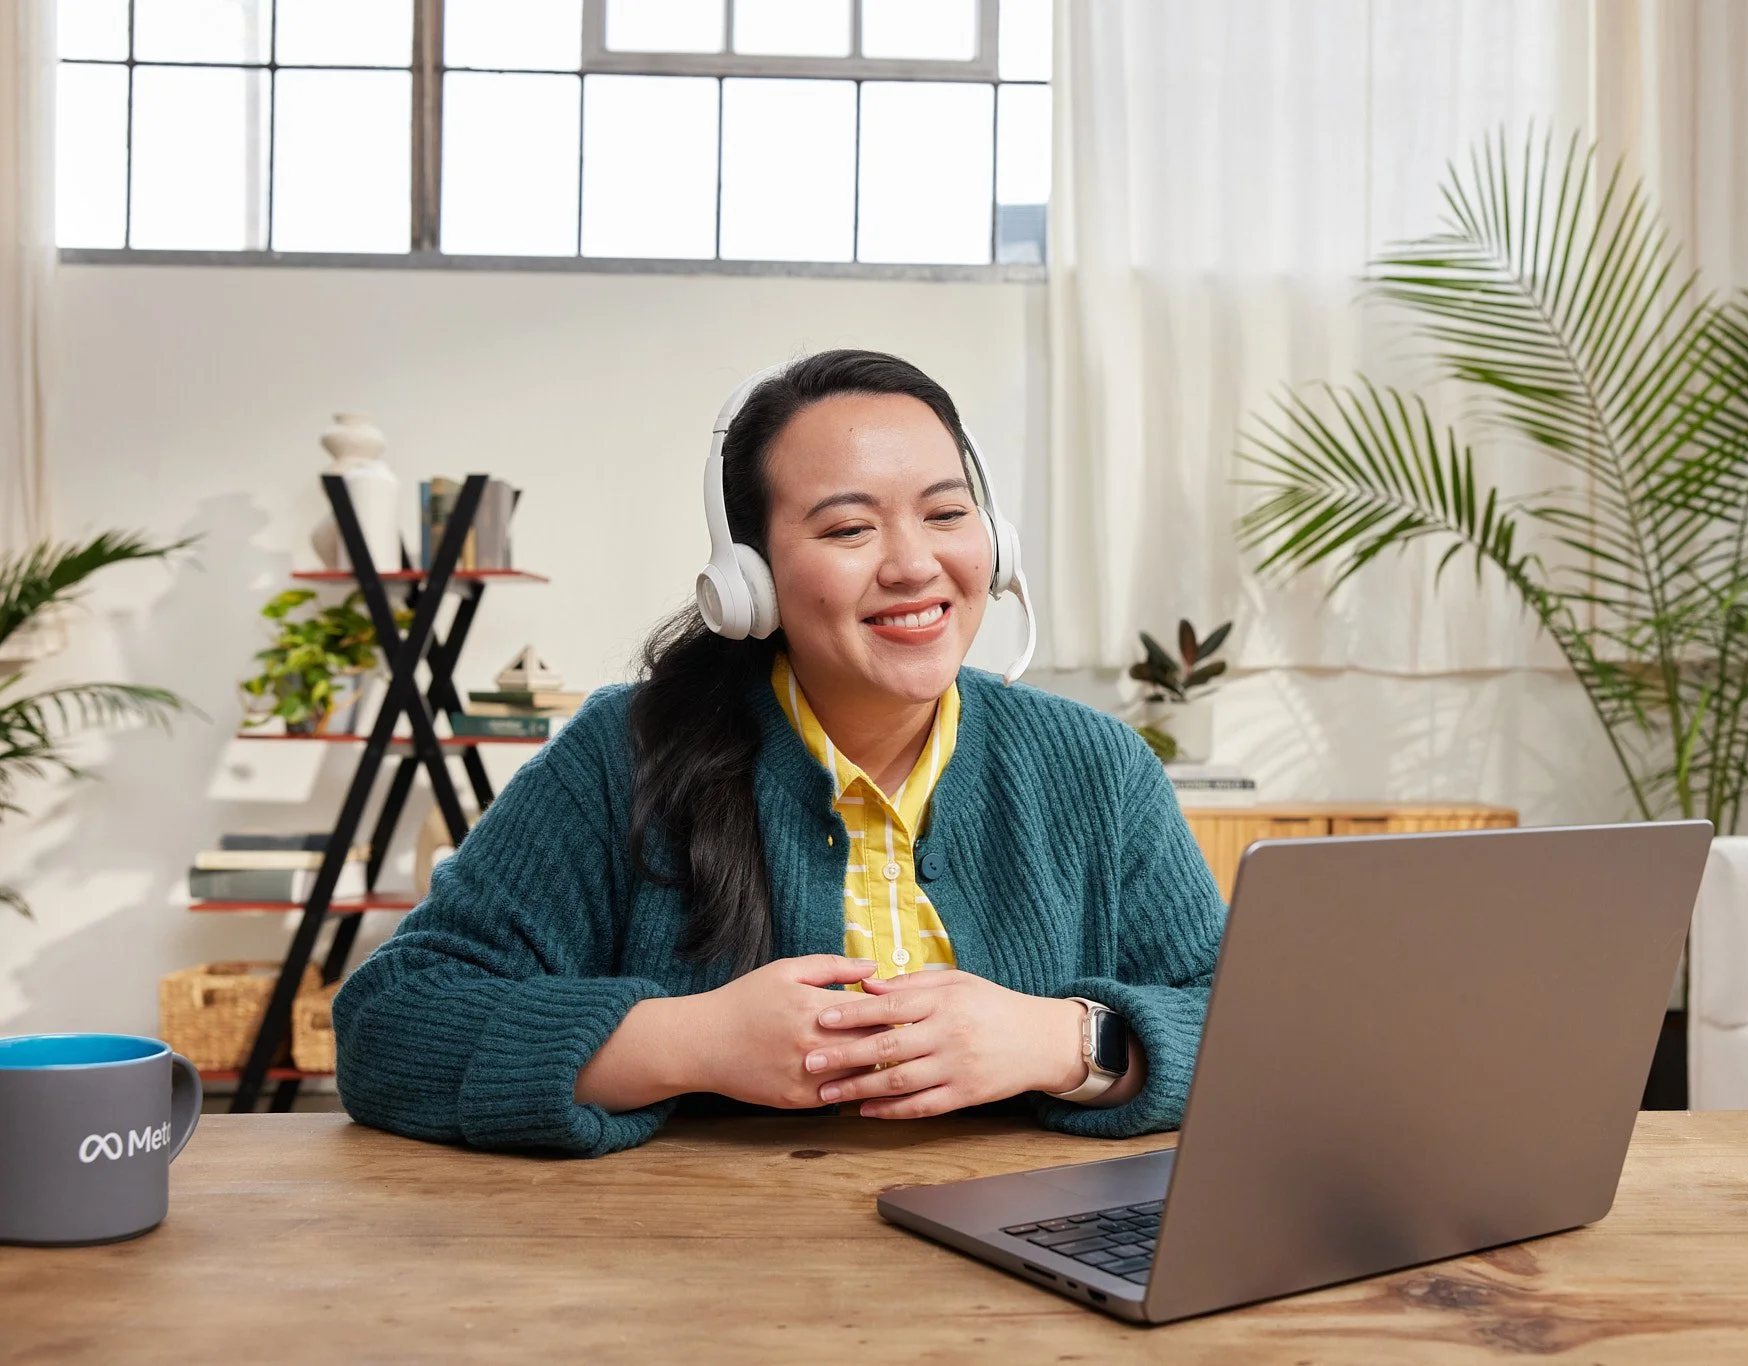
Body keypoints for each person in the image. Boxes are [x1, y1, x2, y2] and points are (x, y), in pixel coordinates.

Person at [333, 349, 1225, 1156]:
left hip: (1024, 1276)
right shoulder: (627, 756)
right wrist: (691, 1043)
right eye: (848, 530)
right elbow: (389, 1026)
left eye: (947, 513)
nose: (915, 565)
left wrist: (1064, 1041)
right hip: (703, 1277)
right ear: (747, 584)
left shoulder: (1096, 769)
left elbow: (1259, 1030)